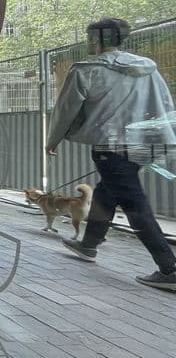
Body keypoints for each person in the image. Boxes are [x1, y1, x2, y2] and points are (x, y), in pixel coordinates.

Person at [47, 18, 176, 291]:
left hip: (110, 145)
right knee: (108, 190)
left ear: (96, 39)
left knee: (133, 203)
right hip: (142, 143)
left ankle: (170, 268)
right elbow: (163, 103)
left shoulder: (87, 70)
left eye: (89, 36)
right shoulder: (147, 68)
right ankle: (89, 244)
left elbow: (65, 109)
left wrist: (53, 139)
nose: (88, 41)